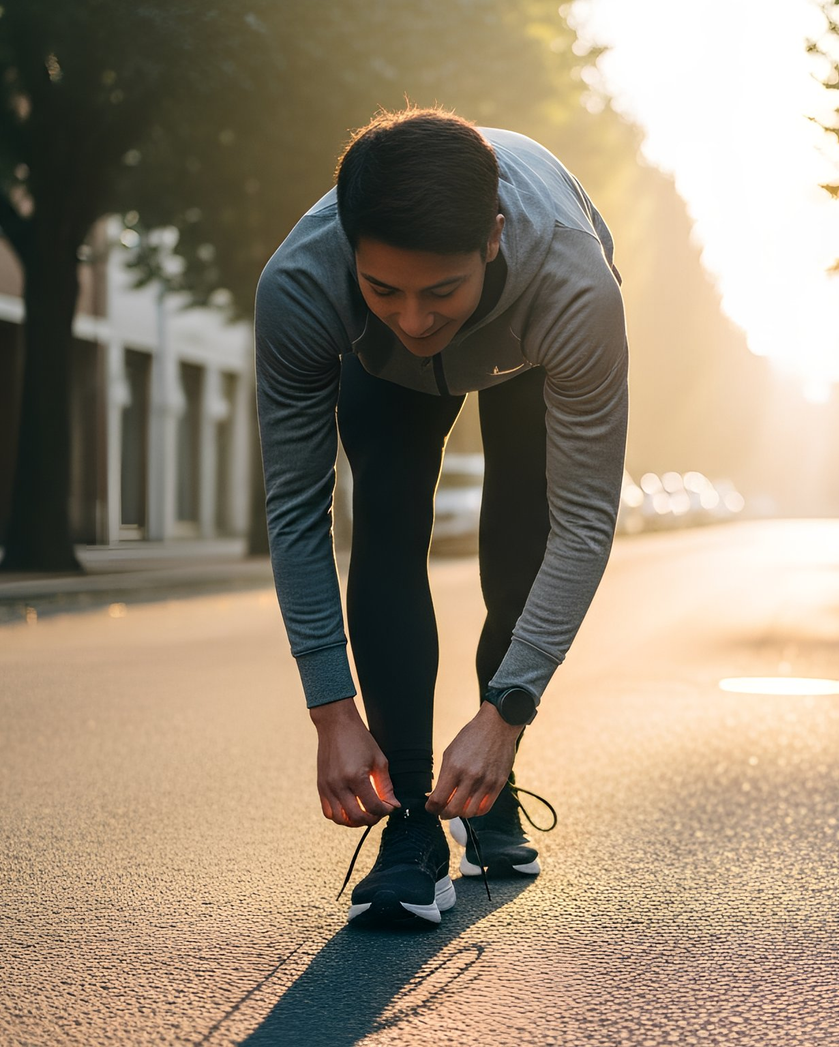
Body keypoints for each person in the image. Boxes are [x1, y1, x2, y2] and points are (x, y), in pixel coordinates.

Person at [254, 108, 627, 928]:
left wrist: (506, 712)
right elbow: (297, 510)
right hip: (379, 372)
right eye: (384, 287)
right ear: (350, 251)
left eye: (439, 290)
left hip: (526, 346)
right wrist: (332, 710)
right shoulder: (303, 283)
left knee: (524, 532)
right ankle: (413, 823)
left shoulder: (573, 282)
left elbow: (587, 521)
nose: (416, 319)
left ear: (492, 238)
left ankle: (492, 782)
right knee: (383, 515)